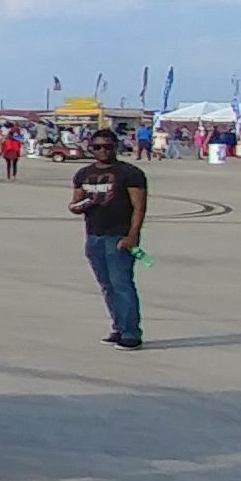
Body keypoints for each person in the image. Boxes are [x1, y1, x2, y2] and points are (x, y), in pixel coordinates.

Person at [69, 129, 147, 348]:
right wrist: (79, 206)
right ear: (90, 148)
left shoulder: (130, 173)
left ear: (116, 147)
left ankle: (131, 332)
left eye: (108, 146)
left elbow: (139, 208)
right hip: (94, 236)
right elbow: (74, 203)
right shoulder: (83, 174)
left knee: (122, 284)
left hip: (118, 236)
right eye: (97, 147)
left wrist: (133, 236)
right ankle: (118, 326)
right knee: (107, 286)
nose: (103, 151)